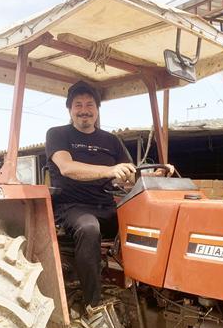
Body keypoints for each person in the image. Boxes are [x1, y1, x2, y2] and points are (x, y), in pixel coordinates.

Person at [46, 80, 172, 315]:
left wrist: (154, 174)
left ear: (97, 109)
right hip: (71, 207)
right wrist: (109, 170)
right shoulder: (58, 135)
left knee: (150, 224)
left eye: (90, 104)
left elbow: (129, 174)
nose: (84, 109)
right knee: (89, 228)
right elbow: (66, 168)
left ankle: (151, 292)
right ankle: (92, 304)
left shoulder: (110, 141)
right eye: (78, 105)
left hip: (106, 205)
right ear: (70, 109)